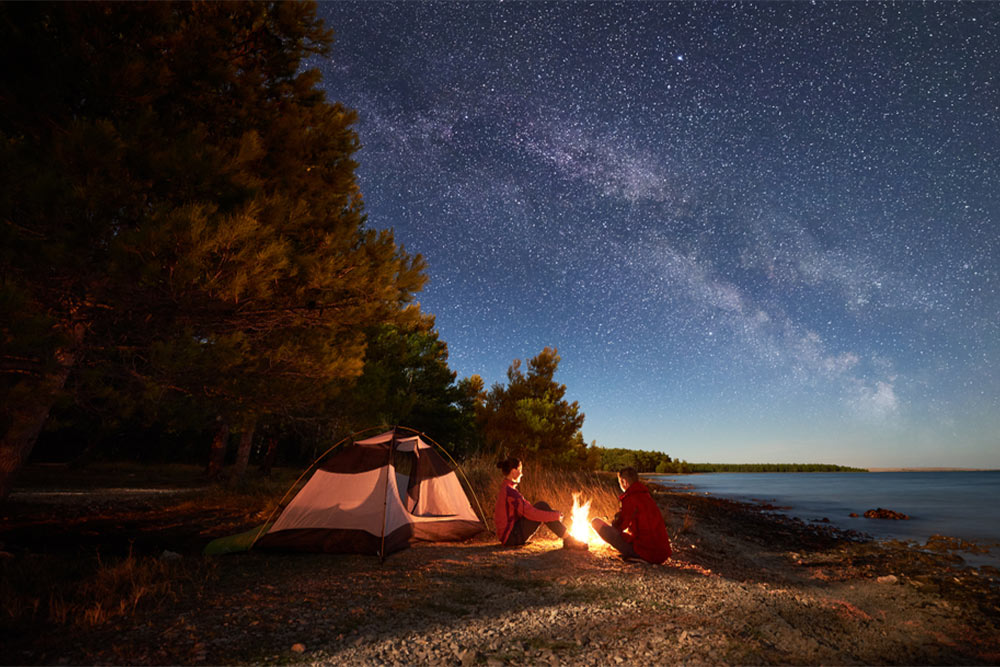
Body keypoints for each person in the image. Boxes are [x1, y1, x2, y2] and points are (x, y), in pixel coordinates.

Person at [591, 467, 672, 564]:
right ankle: (639, 556)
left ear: (624, 482)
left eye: (620, 482)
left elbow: (620, 526)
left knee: (595, 522)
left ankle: (638, 557)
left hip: (645, 553)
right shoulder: (647, 496)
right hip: (661, 555)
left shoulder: (630, 498)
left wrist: (612, 524)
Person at [494, 457, 568, 546]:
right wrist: (555, 516)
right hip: (511, 538)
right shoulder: (510, 492)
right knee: (542, 506)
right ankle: (568, 539)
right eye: (520, 470)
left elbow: (526, 510)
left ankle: (568, 538)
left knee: (541, 506)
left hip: (509, 536)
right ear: (514, 472)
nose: (522, 474)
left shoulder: (506, 488)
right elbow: (532, 514)